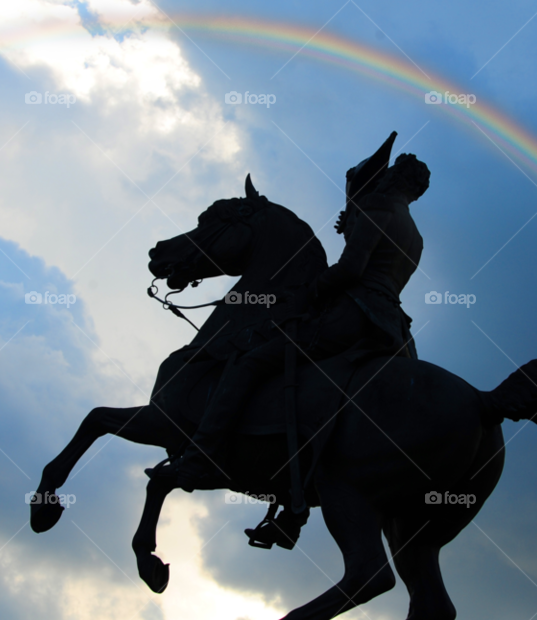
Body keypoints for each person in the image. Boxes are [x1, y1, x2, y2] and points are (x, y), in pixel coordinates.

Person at [153, 134, 430, 536]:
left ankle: (200, 456)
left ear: (390, 179)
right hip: (394, 329)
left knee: (253, 361)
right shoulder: (413, 231)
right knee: (313, 386)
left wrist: (313, 288)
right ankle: (290, 499)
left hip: (352, 314)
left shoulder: (375, 205)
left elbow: (352, 271)